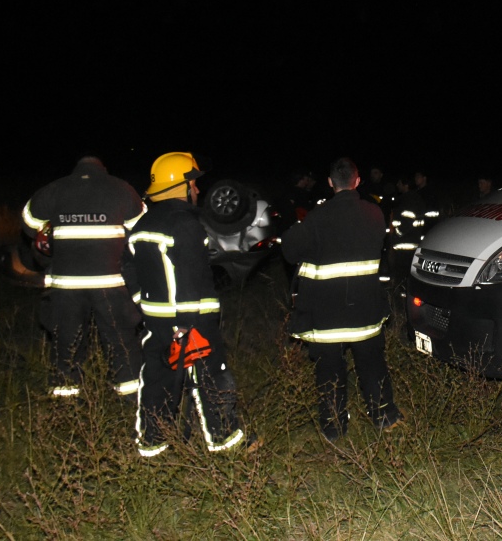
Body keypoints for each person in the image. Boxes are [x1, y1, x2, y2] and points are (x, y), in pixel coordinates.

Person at [126, 152, 255, 457]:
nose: (197, 190)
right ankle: (225, 441)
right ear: (180, 187)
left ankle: (153, 443)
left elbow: (128, 268)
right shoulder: (185, 223)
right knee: (213, 377)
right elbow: (188, 271)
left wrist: (142, 303)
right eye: (193, 184)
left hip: (156, 321)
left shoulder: (142, 224)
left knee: (158, 381)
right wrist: (184, 321)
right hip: (193, 320)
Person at [281, 157, 403, 442]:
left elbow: (289, 250)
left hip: (327, 316)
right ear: (357, 181)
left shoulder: (318, 217)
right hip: (366, 311)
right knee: (372, 363)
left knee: (330, 370)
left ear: (330, 183)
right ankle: (385, 416)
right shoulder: (374, 214)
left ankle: (334, 427)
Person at [21, 155, 145, 399]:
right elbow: (140, 228)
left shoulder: (53, 189)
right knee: (121, 344)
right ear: (103, 169)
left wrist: (51, 229)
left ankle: (65, 407)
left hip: (66, 286)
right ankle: (131, 402)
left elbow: (28, 222)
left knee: (66, 345)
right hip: (111, 284)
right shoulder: (123, 188)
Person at [387, 173, 427, 286]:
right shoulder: (412, 198)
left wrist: (397, 233)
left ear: (406, 184)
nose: (397, 185)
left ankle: (401, 299)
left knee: (403, 276)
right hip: (407, 243)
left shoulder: (409, 200)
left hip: (405, 244)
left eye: (399, 183)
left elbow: (407, 221)